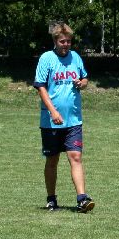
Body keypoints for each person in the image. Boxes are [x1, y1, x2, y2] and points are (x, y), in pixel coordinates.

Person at [34, 22, 95, 213]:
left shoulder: (75, 57)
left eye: (68, 41)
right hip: (51, 121)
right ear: (55, 41)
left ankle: (82, 199)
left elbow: (85, 78)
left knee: (75, 157)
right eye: (62, 41)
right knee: (52, 160)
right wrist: (53, 111)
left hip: (73, 120)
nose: (66, 44)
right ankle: (51, 199)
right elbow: (40, 86)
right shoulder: (46, 59)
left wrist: (82, 83)